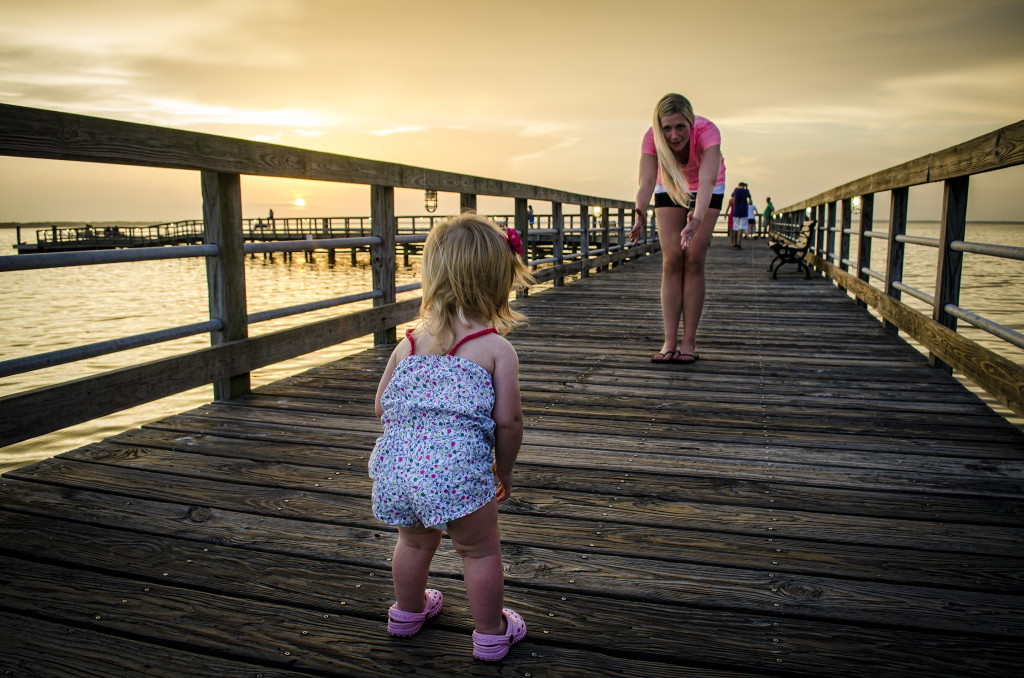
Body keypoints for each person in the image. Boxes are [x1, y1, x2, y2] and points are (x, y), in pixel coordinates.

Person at [369, 211, 534, 661]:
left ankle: (406, 613)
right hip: (457, 471)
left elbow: (382, 405)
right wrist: (506, 468)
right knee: (478, 552)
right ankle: (491, 633)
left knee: (414, 541)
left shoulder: (409, 341)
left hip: (400, 467)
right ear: (499, 280)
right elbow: (509, 423)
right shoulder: (496, 349)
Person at [630, 92, 725, 364]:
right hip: (669, 185)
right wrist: (640, 212)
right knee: (672, 260)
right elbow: (647, 181)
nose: (673, 135)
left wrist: (696, 218)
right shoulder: (651, 137)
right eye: (667, 128)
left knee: (694, 258)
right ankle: (669, 341)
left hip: (708, 187)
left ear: (691, 123)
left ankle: (689, 342)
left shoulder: (708, 132)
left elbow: (707, 182)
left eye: (680, 126)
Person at [724, 181, 752, 248]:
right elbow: (750, 201)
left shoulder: (736, 190)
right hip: (744, 211)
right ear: (744, 185)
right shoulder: (746, 191)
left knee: (735, 228)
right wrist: (746, 188)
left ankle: (734, 243)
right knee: (741, 228)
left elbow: (732, 195)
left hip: (736, 211)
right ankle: (739, 243)